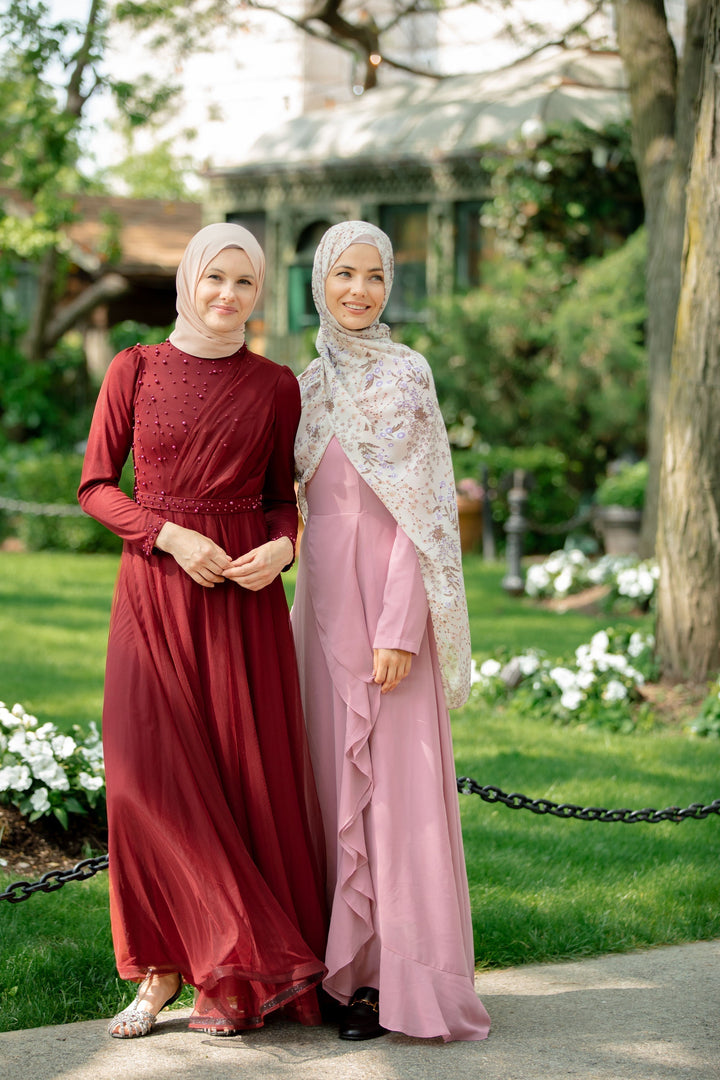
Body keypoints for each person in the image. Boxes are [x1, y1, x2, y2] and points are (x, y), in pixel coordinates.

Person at [78, 222, 327, 1039]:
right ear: (190, 279)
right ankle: (156, 973)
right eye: (214, 278)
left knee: (238, 780)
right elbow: (94, 487)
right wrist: (170, 535)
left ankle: (232, 978)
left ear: (260, 293)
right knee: (149, 783)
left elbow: (282, 498)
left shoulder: (275, 385)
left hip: (241, 604)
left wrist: (281, 549)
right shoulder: (135, 367)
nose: (227, 295)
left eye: (244, 283)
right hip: (154, 591)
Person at [291, 220, 491, 1043]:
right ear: (319, 281)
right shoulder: (304, 384)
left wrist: (402, 625)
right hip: (320, 616)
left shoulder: (407, 375)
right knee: (331, 792)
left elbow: (428, 513)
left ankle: (395, 984)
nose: (360, 290)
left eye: (375, 276)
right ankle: (337, 970)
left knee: (395, 800)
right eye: (345, 273)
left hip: (388, 615)